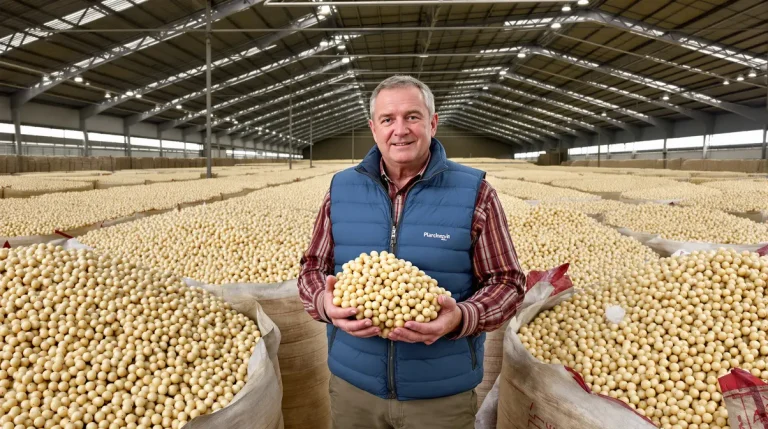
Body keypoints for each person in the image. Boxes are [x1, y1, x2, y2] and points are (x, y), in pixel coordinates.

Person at [297, 75, 526, 429]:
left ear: (433, 123)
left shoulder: (476, 193)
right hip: (354, 389)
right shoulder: (340, 189)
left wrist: (461, 317)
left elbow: (508, 283)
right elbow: (312, 267)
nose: (400, 130)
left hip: (440, 396)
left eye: (412, 117)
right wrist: (324, 305)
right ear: (373, 129)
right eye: (388, 119)